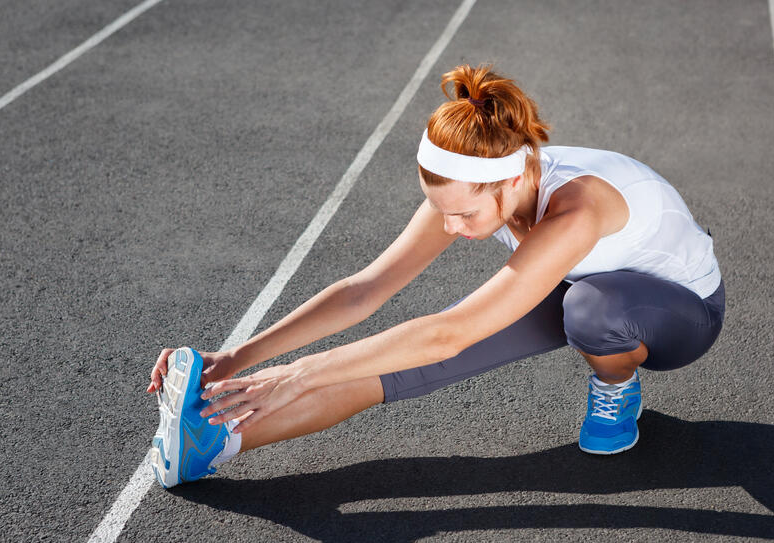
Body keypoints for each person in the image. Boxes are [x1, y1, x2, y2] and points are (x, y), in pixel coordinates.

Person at [146, 64, 725, 488]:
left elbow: (450, 332)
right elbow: (363, 292)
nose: (451, 225)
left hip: (676, 311)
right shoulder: (468, 187)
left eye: (466, 215)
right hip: (573, 281)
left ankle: (617, 385)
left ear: (514, 181)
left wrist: (299, 372)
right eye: (438, 208)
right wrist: (238, 359)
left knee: (593, 313)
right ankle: (214, 443)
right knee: (388, 366)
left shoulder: (579, 207)